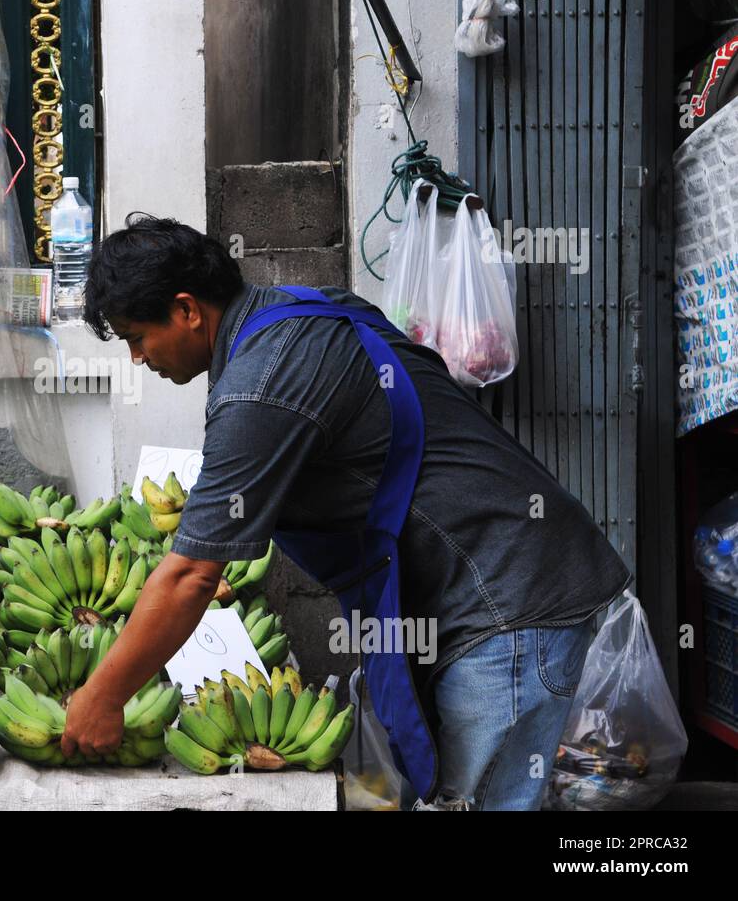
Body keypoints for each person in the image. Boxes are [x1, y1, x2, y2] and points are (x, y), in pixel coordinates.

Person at [60, 213, 629, 810]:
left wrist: (104, 694)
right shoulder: (303, 311)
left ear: (186, 310)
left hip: (505, 594)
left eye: (135, 336)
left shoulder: (260, 382)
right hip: (472, 590)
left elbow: (191, 575)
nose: (136, 357)